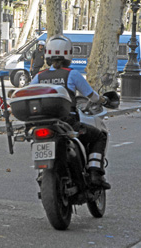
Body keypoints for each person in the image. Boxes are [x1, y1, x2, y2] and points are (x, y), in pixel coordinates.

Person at [31, 35, 111, 190]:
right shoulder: (72, 74)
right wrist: (103, 101)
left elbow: (28, 92)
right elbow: (92, 96)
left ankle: (42, 172)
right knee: (99, 136)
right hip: (68, 124)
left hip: (44, 124)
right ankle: (95, 173)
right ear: (68, 54)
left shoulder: (39, 76)